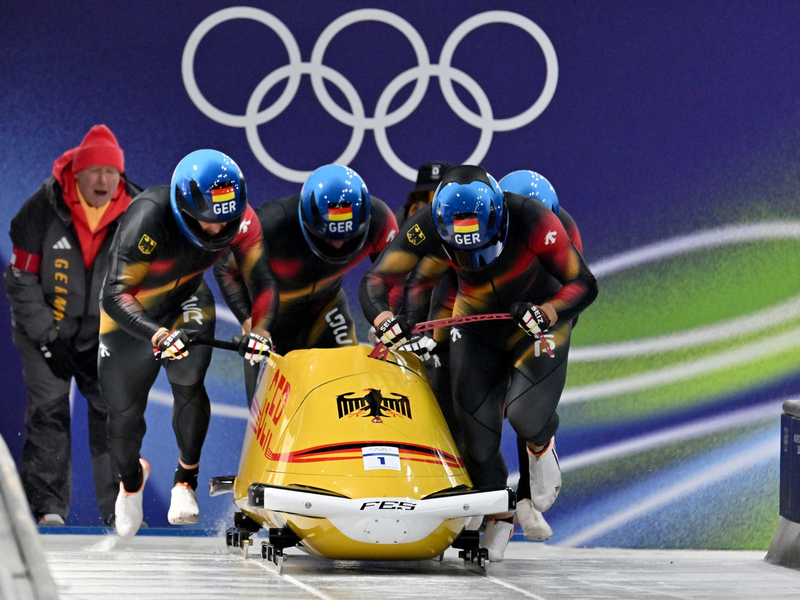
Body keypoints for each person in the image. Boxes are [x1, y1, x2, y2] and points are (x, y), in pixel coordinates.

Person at [360, 165, 597, 561]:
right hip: (477, 326)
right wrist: (385, 321)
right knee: (478, 440)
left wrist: (549, 313)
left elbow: (584, 284)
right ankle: (498, 511)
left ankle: (540, 443)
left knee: (524, 415)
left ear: (498, 218)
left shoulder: (533, 218)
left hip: (535, 321)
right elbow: (378, 280)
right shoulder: (428, 227)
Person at [99, 149, 277, 538]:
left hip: (187, 300)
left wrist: (259, 328)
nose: (216, 230)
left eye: (224, 220)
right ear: (183, 206)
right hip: (131, 315)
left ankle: (185, 481)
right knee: (124, 418)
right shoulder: (148, 216)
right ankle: (131, 482)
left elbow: (262, 281)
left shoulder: (242, 218)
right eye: (206, 220)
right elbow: (114, 295)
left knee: (189, 375)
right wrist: (157, 334)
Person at [5, 125, 140, 526]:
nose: (102, 180)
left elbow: (149, 280)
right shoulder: (39, 209)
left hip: (106, 337)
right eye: (94, 171)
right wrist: (48, 338)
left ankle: (120, 512)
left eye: (110, 172)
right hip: (44, 331)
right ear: (76, 174)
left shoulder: (137, 212)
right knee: (48, 414)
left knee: (114, 416)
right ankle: (47, 511)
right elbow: (20, 279)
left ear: (120, 177)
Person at [215, 164, 398, 406]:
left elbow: (394, 277)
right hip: (270, 319)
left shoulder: (380, 220)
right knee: (271, 410)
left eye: (348, 235)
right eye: (330, 235)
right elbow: (226, 270)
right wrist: (248, 320)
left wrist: (387, 319)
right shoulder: (272, 223)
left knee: (346, 395)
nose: (339, 245)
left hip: (327, 308)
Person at [499, 169, 584, 543]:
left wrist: (544, 316)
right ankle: (484, 501)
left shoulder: (565, 232)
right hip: (499, 307)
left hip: (544, 313)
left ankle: (528, 495)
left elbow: (573, 295)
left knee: (525, 400)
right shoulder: (484, 227)